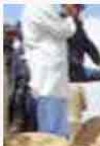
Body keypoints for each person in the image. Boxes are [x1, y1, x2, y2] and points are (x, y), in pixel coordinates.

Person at [21, 3, 75, 137]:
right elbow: (64, 30)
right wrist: (69, 17)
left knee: (54, 100)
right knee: (50, 101)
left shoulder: (41, 7)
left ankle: (58, 142)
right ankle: (53, 142)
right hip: (48, 64)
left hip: (51, 66)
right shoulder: (40, 6)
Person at [66, 4, 100, 121]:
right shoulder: (59, 23)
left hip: (77, 70)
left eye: (80, 8)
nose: (78, 11)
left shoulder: (78, 27)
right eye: (76, 7)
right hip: (60, 71)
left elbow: (89, 46)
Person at [5, 21, 37, 135]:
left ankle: (18, 123)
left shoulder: (17, 53)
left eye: (13, 34)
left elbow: (23, 75)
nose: (11, 38)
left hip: (18, 96)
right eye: (9, 34)